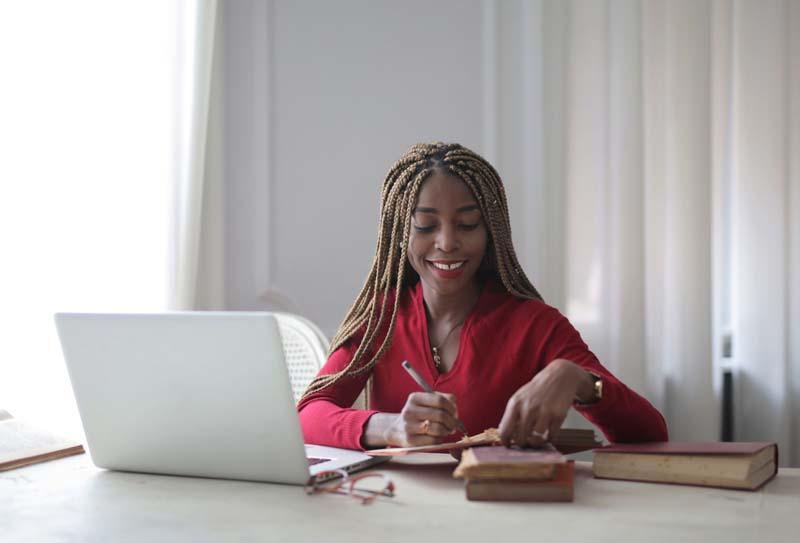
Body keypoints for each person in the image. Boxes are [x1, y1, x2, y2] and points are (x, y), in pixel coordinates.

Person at [298, 142, 668, 450]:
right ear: (399, 232)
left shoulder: (535, 325)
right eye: (426, 225)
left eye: (467, 224)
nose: (446, 242)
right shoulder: (382, 318)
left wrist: (577, 379)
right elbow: (307, 415)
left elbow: (651, 434)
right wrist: (390, 428)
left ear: (491, 231)